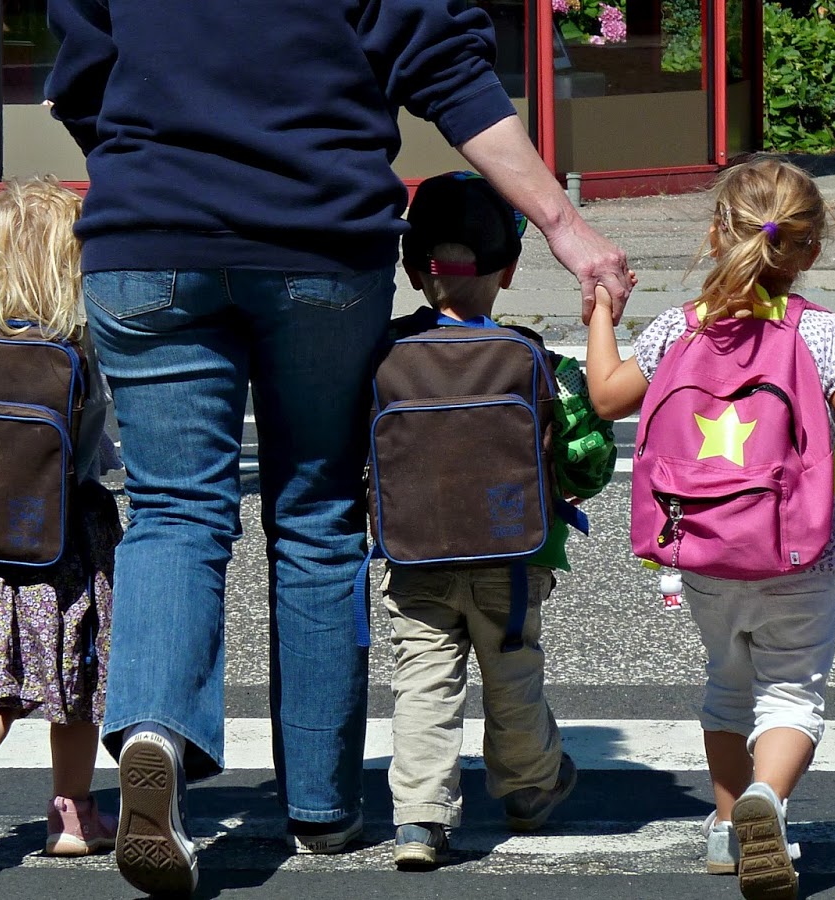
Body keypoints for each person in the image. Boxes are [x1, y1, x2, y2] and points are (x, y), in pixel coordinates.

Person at [44, 2, 632, 896]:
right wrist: (560, 222)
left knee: (173, 509)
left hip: (148, 235)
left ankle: (156, 730)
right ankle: (320, 805)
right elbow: (449, 72)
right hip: (316, 239)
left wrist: (158, 166)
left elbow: (82, 71)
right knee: (315, 508)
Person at [583, 156, 835, 900]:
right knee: (791, 695)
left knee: (728, 684)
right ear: (809, 248)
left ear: (717, 235)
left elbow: (604, 397)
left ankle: (726, 832)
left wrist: (599, 312)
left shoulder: (675, 330)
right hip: (799, 557)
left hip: (702, 553)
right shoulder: (820, 335)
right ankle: (767, 802)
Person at [381, 172, 616, 869]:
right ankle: (529, 788)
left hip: (414, 552)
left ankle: (420, 818)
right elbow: (587, 458)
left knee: (424, 680)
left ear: (410, 266)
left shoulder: (383, 354)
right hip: (512, 560)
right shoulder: (533, 358)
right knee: (512, 674)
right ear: (508, 271)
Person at [0, 177, 123, 863]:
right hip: (58, 541)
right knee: (73, 683)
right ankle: (73, 817)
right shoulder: (79, 337)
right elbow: (94, 445)